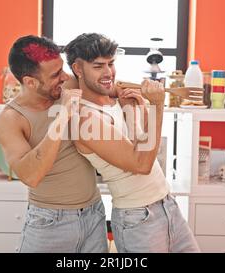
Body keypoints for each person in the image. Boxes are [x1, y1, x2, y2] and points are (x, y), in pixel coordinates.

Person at [63, 33, 200, 253]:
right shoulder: (85, 118)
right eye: (98, 66)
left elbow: (142, 142)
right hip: (137, 219)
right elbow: (141, 164)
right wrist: (157, 106)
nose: (108, 72)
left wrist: (136, 111)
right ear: (78, 69)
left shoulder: (116, 98)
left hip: (166, 204)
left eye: (111, 63)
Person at [0, 35, 108, 253]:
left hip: (94, 215)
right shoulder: (9, 120)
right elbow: (31, 175)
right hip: (50, 223)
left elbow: (106, 87)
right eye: (55, 74)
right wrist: (62, 115)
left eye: (62, 69)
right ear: (30, 82)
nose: (65, 77)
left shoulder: (64, 87)